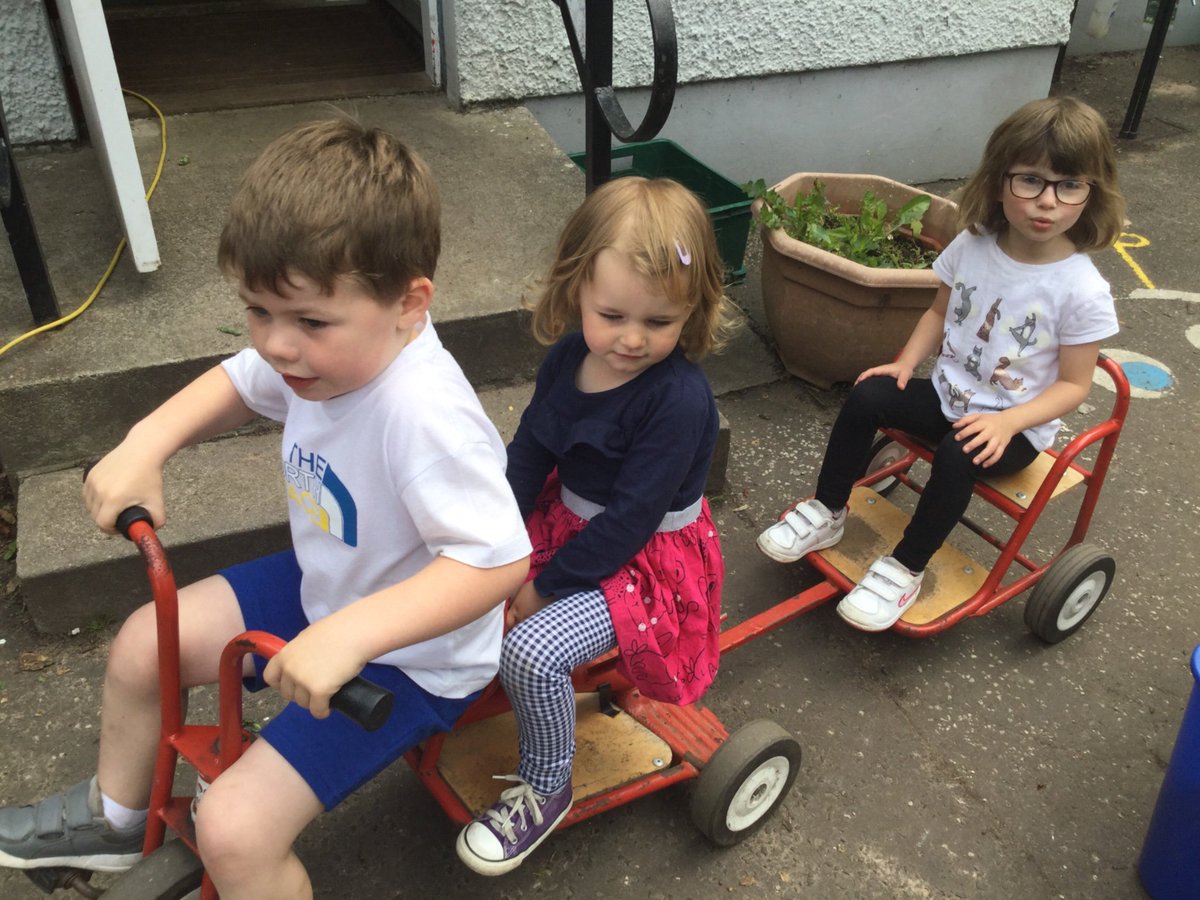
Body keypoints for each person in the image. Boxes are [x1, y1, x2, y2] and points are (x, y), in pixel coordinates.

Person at [0, 119, 531, 900]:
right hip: (331, 583)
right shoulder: (324, 353)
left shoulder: (425, 416)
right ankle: (116, 817)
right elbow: (240, 380)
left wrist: (349, 635)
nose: (280, 346)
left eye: (310, 322)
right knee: (146, 643)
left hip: (411, 655)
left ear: (410, 303)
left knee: (233, 831)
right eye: (258, 310)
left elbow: (496, 559)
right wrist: (146, 444)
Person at [757, 96, 1125, 632]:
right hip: (951, 395)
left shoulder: (1081, 290)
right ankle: (829, 512)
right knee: (867, 394)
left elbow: (1072, 387)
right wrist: (905, 363)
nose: (1048, 202)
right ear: (1001, 180)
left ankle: (905, 568)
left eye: (1070, 185)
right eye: (1031, 181)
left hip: (1013, 427)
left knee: (957, 453)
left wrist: (1008, 421)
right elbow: (937, 309)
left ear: (1092, 192)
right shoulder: (975, 244)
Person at [455, 176, 736, 876]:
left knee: (532, 649)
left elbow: (633, 523)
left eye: (661, 322)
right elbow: (528, 455)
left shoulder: (678, 401)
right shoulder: (566, 360)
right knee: (457, 582)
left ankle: (547, 786)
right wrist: (492, 540)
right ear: (575, 289)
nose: (633, 340)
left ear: (692, 313)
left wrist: (541, 588)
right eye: (612, 315)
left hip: (642, 565)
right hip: (573, 525)